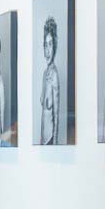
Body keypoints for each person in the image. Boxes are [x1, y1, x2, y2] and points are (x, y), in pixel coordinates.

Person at [40, 17, 61, 145]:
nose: (47, 50)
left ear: (55, 46)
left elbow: (57, 117)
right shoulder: (44, 74)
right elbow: (43, 116)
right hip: (43, 142)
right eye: (45, 45)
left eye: (50, 44)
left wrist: (55, 147)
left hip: (50, 142)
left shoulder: (55, 76)